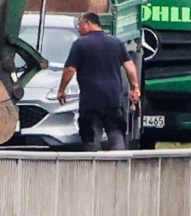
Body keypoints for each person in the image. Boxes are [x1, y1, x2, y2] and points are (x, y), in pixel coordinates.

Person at [57, 11, 141, 151]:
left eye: (80, 25)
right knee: (116, 132)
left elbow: (70, 69)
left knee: (91, 137)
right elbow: (130, 66)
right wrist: (135, 87)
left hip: (90, 101)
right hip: (113, 99)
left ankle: (94, 168)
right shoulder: (116, 42)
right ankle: (119, 165)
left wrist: (61, 90)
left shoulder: (80, 44)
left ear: (88, 23)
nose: (78, 29)